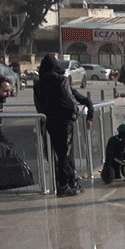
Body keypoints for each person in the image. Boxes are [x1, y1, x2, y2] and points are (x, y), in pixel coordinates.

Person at [33, 53, 93, 197]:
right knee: (65, 154)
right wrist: (75, 112)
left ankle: (64, 181)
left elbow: (38, 104)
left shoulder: (39, 83)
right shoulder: (61, 80)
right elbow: (69, 99)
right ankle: (65, 184)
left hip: (49, 122)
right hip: (64, 122)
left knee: (57, 154)